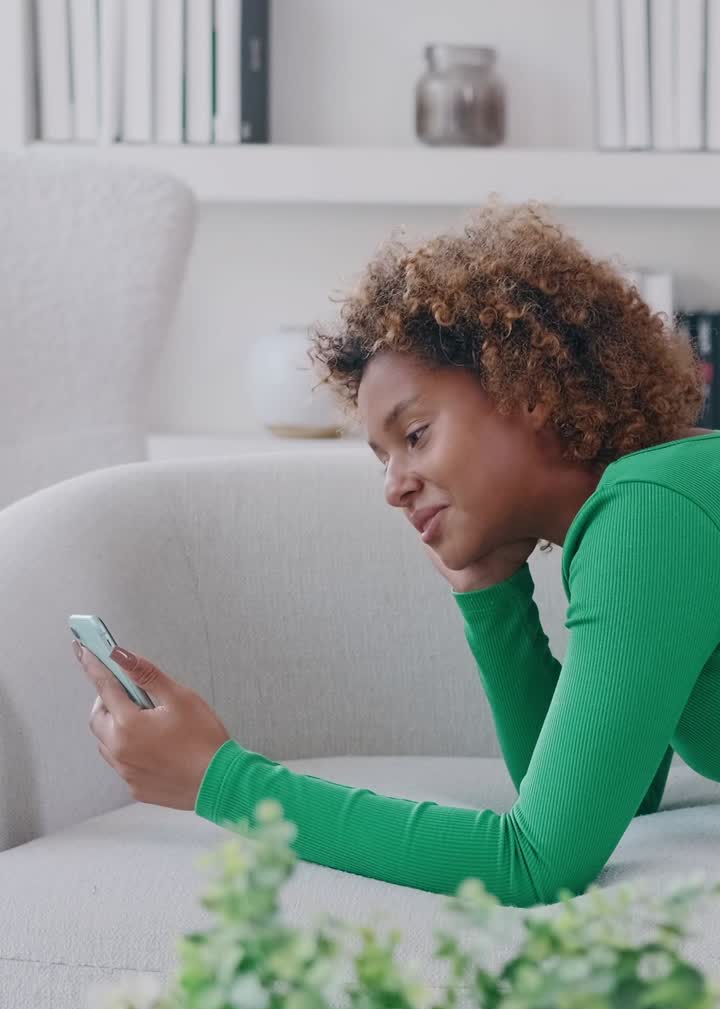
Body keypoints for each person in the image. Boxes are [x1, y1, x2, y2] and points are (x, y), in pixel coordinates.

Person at [74, 200, 720, 907]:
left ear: (531, 391)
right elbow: (624, 795)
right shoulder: (666, 501)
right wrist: (491, 593)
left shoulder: (652, 512)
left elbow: (535, 862)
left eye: (415, 435)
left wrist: (220, 781)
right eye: (382, 459)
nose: (393, 487)